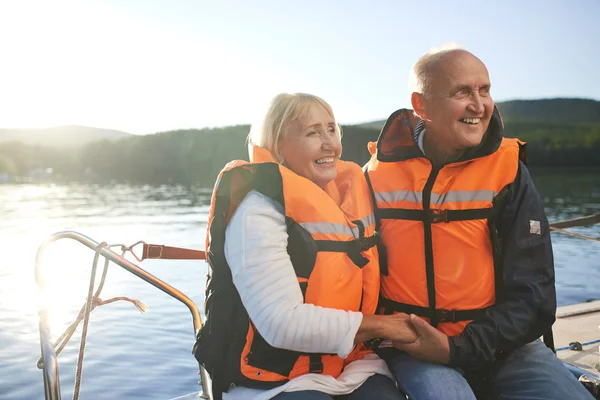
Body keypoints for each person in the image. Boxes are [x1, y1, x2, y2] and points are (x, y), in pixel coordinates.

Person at [365, 47, 594, 400]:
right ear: (420, 105)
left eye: (484, 90)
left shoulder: (509, 172)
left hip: (506, 346)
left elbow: (534, 297)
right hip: (413, 346)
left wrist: (457, 348)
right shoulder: (374, 177)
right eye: (462, 92)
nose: (479, 105)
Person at [193, 93, 417, 400]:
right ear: (278, 148)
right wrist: (384, 327)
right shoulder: (256, 211)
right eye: (313, 133)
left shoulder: (346, 197)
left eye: (331, 129)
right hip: (276, 379)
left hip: (349, 366)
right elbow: (281, 324)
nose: (330, 144)